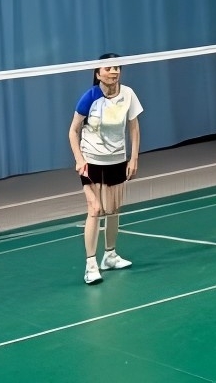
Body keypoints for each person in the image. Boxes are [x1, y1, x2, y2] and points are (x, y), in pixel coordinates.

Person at [69, 54, 141, 285]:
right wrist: (79, 159)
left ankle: (109, 255)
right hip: (91, 160)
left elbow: (134, 128)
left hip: (117, 159)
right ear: (98, 74)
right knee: (95, 208)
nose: (114, 71)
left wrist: (133, 158)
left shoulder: (128, 94)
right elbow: (73, 131)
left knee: (113, 209)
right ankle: (90, 264)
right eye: (108, 68)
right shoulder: (90, 97)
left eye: (117, 67)